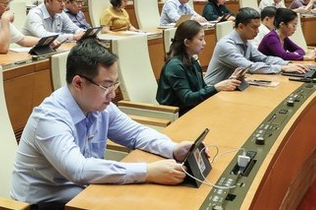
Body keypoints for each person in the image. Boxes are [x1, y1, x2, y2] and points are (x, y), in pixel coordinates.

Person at [11, 39, 194, 206]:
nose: (113, 94)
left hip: (86, 193)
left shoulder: (100, 106)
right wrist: (147, 171)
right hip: (42, 204)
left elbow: (137, 134)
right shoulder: (50, 117)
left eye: (115, 84)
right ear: (78, 83)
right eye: (106, 86)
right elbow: (79, 170)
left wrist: (172, 149)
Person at [204, 7, 308, 86]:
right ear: (240, 27)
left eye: (258, 27)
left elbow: (264, 58)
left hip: (233, 87)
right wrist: (282, 68)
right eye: (254, 28)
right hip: (214, 91)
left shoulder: (246, 42)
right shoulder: (226, 45)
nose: (258, 31)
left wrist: (288, 64)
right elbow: (250, 66)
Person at [157, 20, 240, 116]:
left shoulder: (192, 61)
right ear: (187, 42)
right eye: (200, 39)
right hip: (177, 115)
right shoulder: (174, 66)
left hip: (194, 109)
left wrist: (228, 83)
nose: (204, 43)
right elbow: (187, 98)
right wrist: (216, 88)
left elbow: (202, 88)